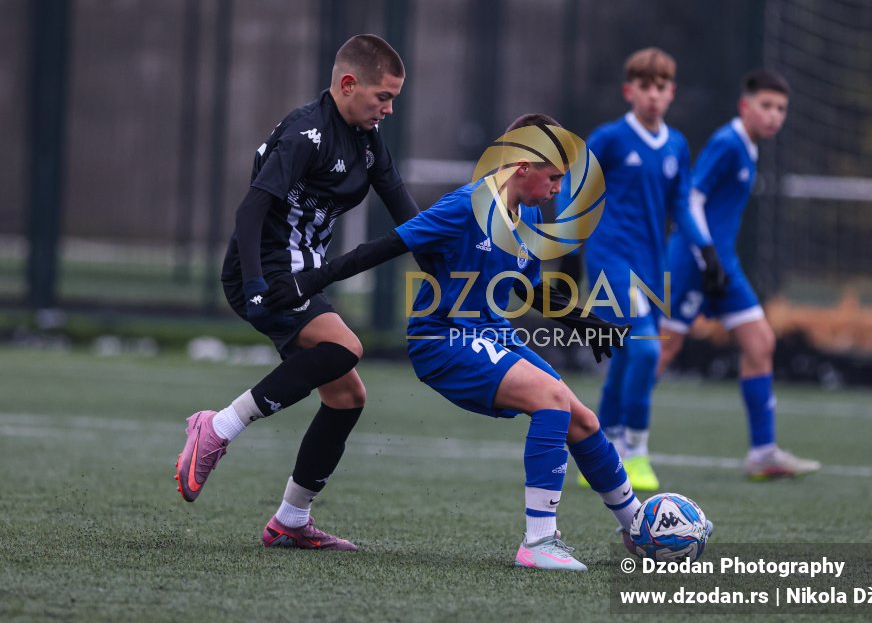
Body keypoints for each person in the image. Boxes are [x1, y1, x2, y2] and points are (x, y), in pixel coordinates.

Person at [262, 115, 706, 571]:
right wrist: (309, 282)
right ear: (521, 166)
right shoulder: (465, 206)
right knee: (552, 400)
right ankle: (538, 542)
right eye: (553, 177)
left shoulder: (528, 212)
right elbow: (384, 247)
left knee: (582, 420)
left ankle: (636, 526)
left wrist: (583, 319)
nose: (557, 188)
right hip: (443, 339)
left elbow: (524, 287)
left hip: (492, 334)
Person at [175, 34, 419, 550]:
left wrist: (451, 261)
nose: (389, 108)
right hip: (267, 271)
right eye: (383, 96)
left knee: (348, 395)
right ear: (348, 84)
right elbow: (250, 210)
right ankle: (217, 427)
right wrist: (259, 286)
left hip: (302, 272)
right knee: (346, 348)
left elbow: (405, 213)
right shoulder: (306, 133)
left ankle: (290, 519)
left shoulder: (366, 139)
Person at [563, 47, 725, 492]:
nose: (652, 95)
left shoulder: (676, 146)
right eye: (644, 86)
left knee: (625, 358)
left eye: (661, 87)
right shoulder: (611, 138)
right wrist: (562, 241)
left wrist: (706, 251)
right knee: (649, 352)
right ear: (628, 91)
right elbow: (573, 186)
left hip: (651, 268)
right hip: (610, 262)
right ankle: (634, 450)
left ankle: (598, 451)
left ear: (671, 93)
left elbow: (681, 205)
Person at [657, 69, 820, 480]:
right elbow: (691, 200)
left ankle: (763, 453)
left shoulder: (749, 146)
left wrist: (718, 259)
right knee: (662, 351)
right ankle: (610, 439)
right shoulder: (728, 143)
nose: (774, 116)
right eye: (766, 106)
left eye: (781, 109)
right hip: (693, 260)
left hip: (722, 262)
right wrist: (706, 254)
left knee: (761, 342)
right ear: (745, 106)